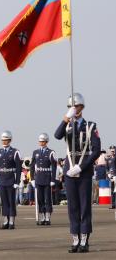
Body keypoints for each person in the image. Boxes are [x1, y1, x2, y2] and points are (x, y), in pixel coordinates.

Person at [54, 93, 101, 253]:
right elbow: (57, 135)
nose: (74, 109)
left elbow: (96, 150)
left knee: (84, 207)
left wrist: (82, 167)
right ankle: (75, 239)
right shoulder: (67, 126)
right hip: (69, 172)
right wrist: (66, 118)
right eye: (71, 107)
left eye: (77, 106)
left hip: (84, 172)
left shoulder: (90, 126)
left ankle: (84, 239)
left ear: (82, 107)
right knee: (72, 207)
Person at [0, 130, 21, 229]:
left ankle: (12, 220)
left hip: (11, 180)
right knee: (3, 201)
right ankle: (5, 220)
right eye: (3, 140)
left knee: (11, 201)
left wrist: (17, 181)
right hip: (1, 180)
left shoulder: (15, 152)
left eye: (6, 140)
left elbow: (18, 168)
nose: (4, 142)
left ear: (10, 140)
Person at [29, 133, 57, 225]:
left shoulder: (51, 152)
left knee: (47, 199)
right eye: (40, 141)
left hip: (47, 178)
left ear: (46, 142)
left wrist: (53, 179)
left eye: (43, 141)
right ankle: (42, 216)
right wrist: (32, 178)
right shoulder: (35, 152)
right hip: (38, 178)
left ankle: (48, 216)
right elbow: (32, 166)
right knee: (40, 199)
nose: (42, 143)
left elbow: (54, 167)